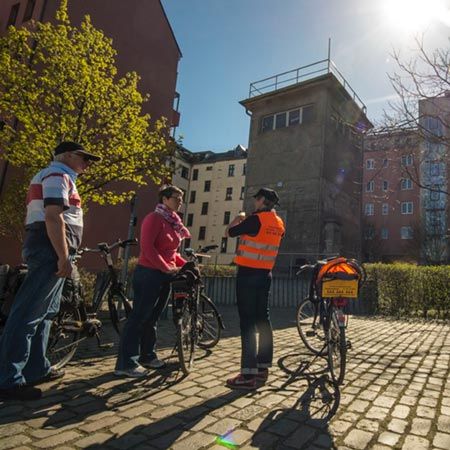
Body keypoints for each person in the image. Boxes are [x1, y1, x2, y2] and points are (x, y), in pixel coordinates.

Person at [0, 141, 101, 401]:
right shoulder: (58, 174)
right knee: (28, 314)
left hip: (49, 247)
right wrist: (63, 256)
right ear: (66, 155)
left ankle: (37, 368)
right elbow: (53, 216)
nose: (87, 163)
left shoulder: (56, 175)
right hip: (50, 248)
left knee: (45, 313)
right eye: (84, 157)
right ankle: (8, 378)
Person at [115, 185, 190, 378]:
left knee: (153, 317)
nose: (180, 201)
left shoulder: (173, 222)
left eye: (182, 198)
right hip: (149, 273)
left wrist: (187, 264)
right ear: (164, 199)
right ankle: (126, 363)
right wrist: (166, 267)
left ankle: (147, 355)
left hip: (165, 274)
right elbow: (148, 248)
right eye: (176, 197)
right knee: (138, 317)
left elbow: (171, 254)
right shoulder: (154, 219)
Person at [225, 187, 285, 390]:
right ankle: (262, 368)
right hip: (265, 275)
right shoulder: (278, 223)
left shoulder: (254, 220)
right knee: (263, 320)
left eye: (256, 200)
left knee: (247, 323)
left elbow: (230, 232)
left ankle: (247, 374)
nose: (254, 203)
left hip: (248, 275)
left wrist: (238, 218)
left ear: (262, 201)